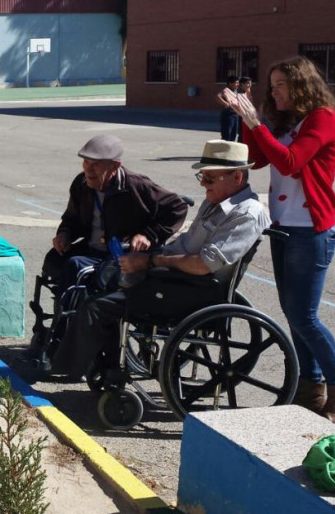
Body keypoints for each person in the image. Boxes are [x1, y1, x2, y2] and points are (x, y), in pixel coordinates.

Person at [53, 140, 270, 380]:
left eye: (210, 179)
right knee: (105, 278)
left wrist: (151, 261)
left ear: (237, 178)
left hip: (195, 289)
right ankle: (104, 363)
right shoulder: (213, 203)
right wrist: (147, 255)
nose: (202, 184)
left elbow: (202, 264)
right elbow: (184, 244)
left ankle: (70, 367)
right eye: (202, 176)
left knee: (98, 305)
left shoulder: (247, 213)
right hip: (177, 280)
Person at [234, 55, 335, 423]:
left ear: (301, 85)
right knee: (293, 314)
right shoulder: (294, 121)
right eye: (271, 86)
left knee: (305, 316)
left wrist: (257, 125)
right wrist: (248, 121)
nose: (274, 93)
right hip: (285, 226)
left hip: (310, 229)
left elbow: (289, 162)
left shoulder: (323, 119)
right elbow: (257, 159)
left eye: (280, 85)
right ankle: (310, 388)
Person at [44, 134, 188, 298]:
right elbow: (71, 217)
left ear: (114, 166)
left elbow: (177, 207)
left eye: (96, 165)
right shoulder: (81, 183)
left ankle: (69, 321)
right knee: (54, 260)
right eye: (86, 162)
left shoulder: (136, 185)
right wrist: (64, 234)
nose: (88, 170)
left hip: (120, 256)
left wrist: (148, 235)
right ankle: (66, 313)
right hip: (91, 250)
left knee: (75, 266)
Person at [217, 75, 241, 141]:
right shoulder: (226, 91)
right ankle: (224, 150)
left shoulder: (235, 91)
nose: (238, 84)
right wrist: (225, 103)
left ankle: (231, 150)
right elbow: (218, 96)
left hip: (235, 114)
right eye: (236, 82)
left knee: (234, 134)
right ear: (230, 83)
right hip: (228, 114)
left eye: (238, 83)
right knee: (227, 134)